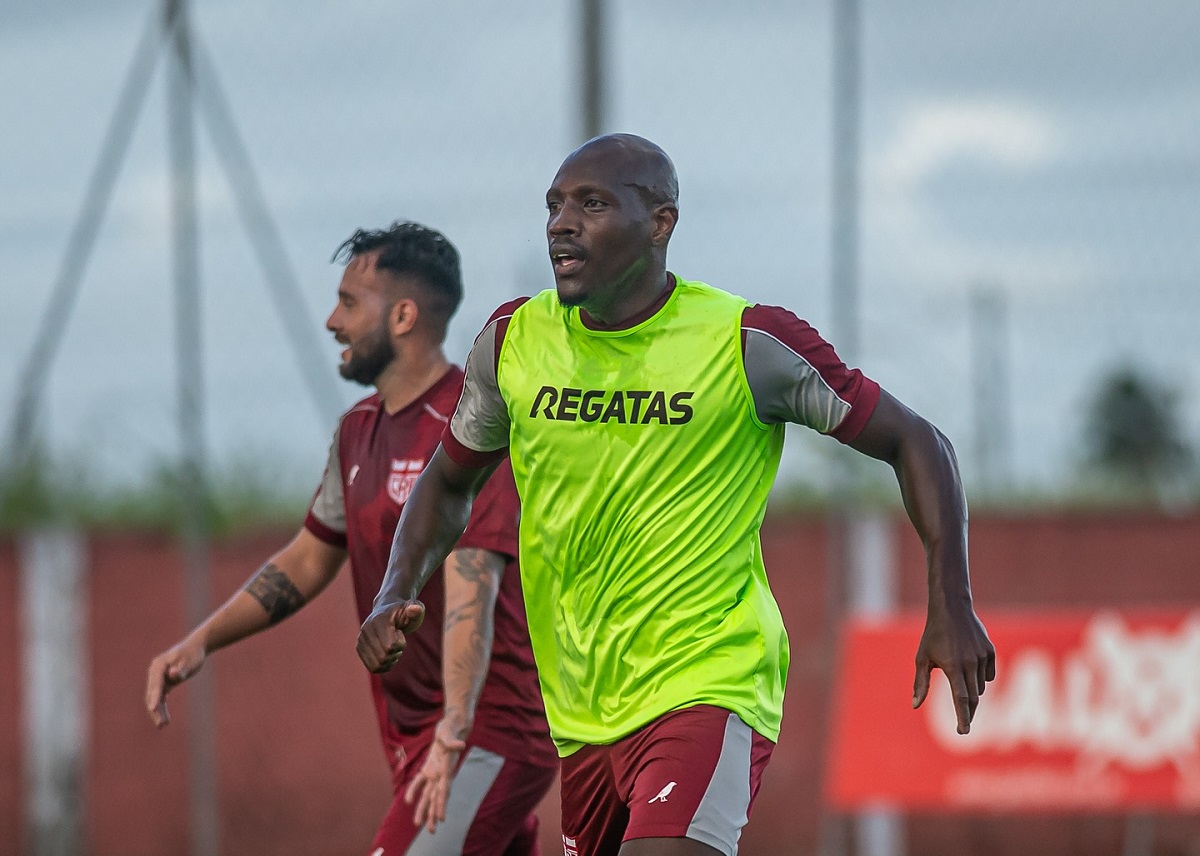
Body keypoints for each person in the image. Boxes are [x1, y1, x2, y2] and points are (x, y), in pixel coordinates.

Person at [356, 136, 996, 856]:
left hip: (708, 680)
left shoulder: (746, 342)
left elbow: (917, 441)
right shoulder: (513, 342)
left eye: (591, 205)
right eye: (554, 206)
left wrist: (951, 601)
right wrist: (394, 590)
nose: (561, 224)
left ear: (660, 223)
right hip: (582, 711)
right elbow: (448, 481)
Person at [145, 221, 558, 855]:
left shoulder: (472, 423)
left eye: (348, 302)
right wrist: (201, 640)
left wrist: (453, 731)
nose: (332, 321)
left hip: (484, 731)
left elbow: (472, 581)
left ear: (403, 316)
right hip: (417, 735)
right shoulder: (357, 430)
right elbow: (309, 558)